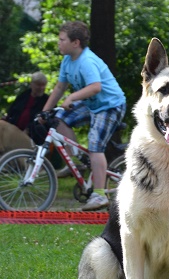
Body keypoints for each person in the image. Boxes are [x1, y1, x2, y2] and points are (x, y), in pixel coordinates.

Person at [41, 21, 126, 211]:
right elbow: (60, 87)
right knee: (59, 119)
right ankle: (77, 164)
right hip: (92, 104)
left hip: (110, 105)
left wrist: (72, 97)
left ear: (75, 42)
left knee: (95, 144)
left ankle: (99, 194)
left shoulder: (86, 61)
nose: (58, 43)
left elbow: (96, 87)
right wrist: (46, 111)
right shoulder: (67, 61)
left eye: (62, 40)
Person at [0, 72, 49, 153]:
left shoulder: (47, 101)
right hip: (14, 131)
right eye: (38, 85)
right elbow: (11, 112)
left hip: (30, 139)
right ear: (31, 84)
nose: (41, 88)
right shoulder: (24, 96)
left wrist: (28, 130)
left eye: (43, 85)